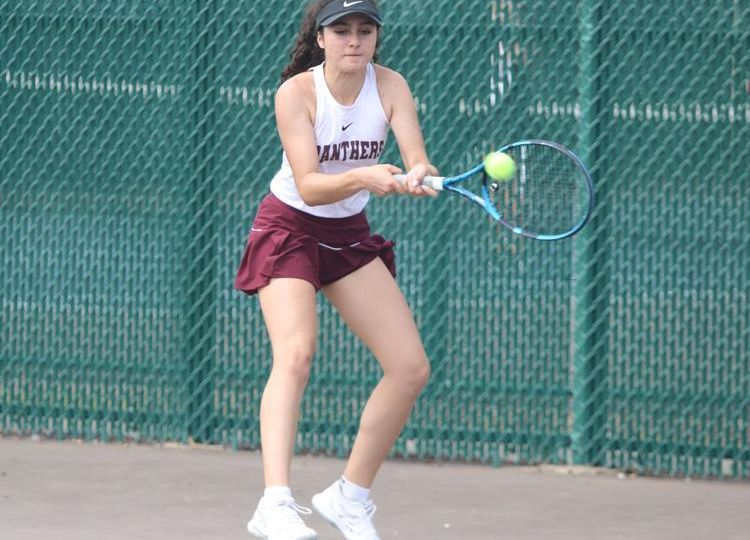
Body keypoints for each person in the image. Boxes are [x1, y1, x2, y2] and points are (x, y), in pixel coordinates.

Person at [235, 1, 436, 538]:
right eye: (341, 30)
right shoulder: (296, 93)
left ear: (376, 38)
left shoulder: (391, 86)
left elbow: (417, 155)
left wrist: (417, 172)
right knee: (296, 354)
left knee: (410, 367)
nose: (354, 40)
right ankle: (274, 503)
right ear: (320, 38)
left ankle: (350, 495)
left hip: (347, 237)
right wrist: (367, 177)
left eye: (365, 30)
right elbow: (309, 184)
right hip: (289, 228)